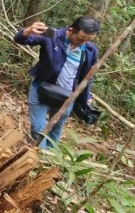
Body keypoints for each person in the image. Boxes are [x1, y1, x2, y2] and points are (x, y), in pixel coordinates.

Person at [13, 16, 101, 149]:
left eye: (87, 40)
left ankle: (50, 158)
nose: (82, 43)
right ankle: (40, 156)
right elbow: (21, 39)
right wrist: (27, 31)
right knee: (38, 127)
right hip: (41, 88)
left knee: (55, 129)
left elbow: (87, 76)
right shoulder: (52, 34)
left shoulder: (90, 50)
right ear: (70, 30)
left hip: (66, 96)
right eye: (80, 39)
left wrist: (86, 96)